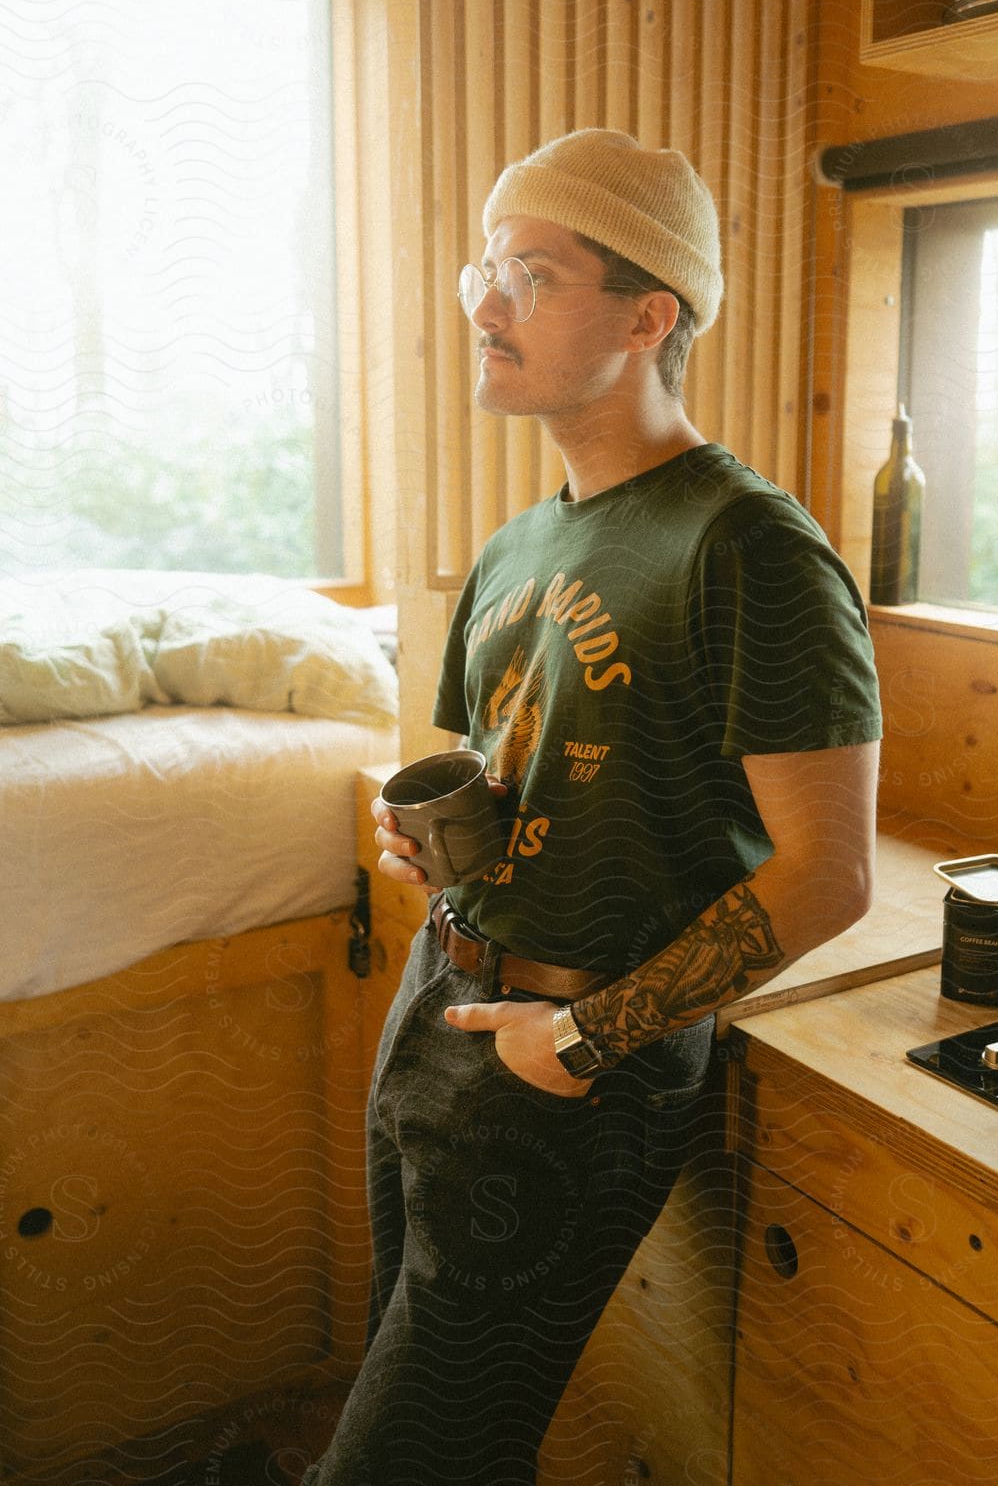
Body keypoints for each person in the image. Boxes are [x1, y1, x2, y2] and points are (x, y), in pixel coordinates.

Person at [301, 129, 881, 1485]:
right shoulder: (522, 543)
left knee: (405, 1463)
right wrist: (429, 846)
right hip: (439, 1009)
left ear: (648, 314)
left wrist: (586, 1035)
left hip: (570, 1064)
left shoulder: (752, 549)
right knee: (422, 1415)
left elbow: (829, 874)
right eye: (482, 271)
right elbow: (523, 762)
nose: (484, 306)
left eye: (530, 272)